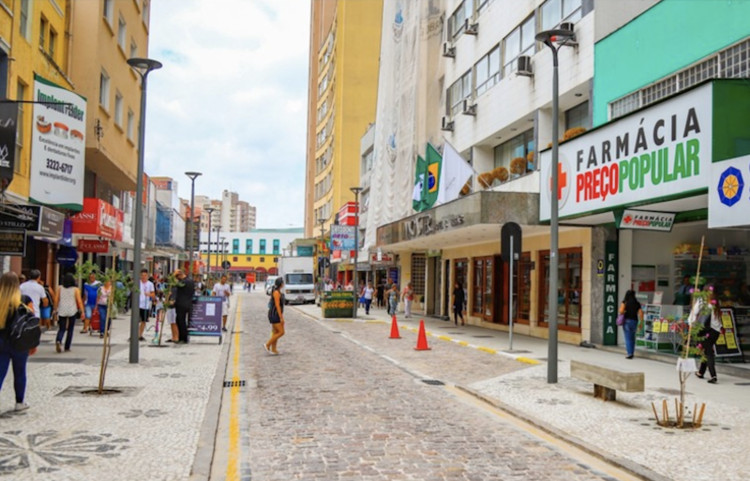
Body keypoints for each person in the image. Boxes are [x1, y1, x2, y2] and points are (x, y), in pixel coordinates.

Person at [0, 272, 39, 411]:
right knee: (20, 372)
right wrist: (33, 344)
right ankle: (19, 402)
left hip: (1, 343)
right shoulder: (24, 299)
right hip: (19, 343)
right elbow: (31, 323)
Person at [695, 289, 721, 384]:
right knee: (707, 351)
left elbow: (701, 322)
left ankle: (713, 375)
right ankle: (700, 372)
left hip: (707, 333)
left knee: (709, 353)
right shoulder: (717, 307)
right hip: (716, 333)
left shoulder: (707, 307)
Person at [54, 273, 84, 353]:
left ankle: (59, 340)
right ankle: (67, 347)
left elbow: (56, 299)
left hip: (62, 310)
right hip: (72, 310)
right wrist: (82, 311)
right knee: (70, 329)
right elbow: (79, 301)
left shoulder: (59, 288)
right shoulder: (75, 289)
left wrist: (55, 309)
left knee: (62, 328)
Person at [619, 290, 643, 359]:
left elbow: (621, 311)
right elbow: (641, 313)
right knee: (632, 338)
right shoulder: (637, 303)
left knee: (628, 338)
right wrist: (641, 322)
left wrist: (624, 311)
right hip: (635, 321)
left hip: (627, 321)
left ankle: (629, 353)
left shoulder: (625, 302)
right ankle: (632, 352)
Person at [264, 277, 285, 355]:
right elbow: (277, 305)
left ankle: (274, 349)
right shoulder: (276, 292)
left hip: (275, 314)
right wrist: (281, 317)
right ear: (281, 284)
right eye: (283, 283)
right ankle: (267, 344)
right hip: (274, 314)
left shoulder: (278, 292)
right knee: (281, 332)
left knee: (276, 332)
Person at [173, 270, 195, 344]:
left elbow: (174, 284)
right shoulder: (191, 281)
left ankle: (183, 338)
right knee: (182, 321)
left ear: (180, 275)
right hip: (188, 304)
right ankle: (183, 337)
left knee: (180, 321)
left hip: (181, 304)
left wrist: (173, 276)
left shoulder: (182, 282)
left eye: (177, 276)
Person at [137, 269, 155, 341]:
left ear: (147, 276)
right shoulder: (138, 283)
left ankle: (140, 334)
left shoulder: (150, 284)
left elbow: (153, 294)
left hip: (146, 305)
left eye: (145, 275)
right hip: (138, 305)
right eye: (142, 275)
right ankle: (135, 334)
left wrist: (149, 294)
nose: (143, 277)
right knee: (136, 320)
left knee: (143, 321)